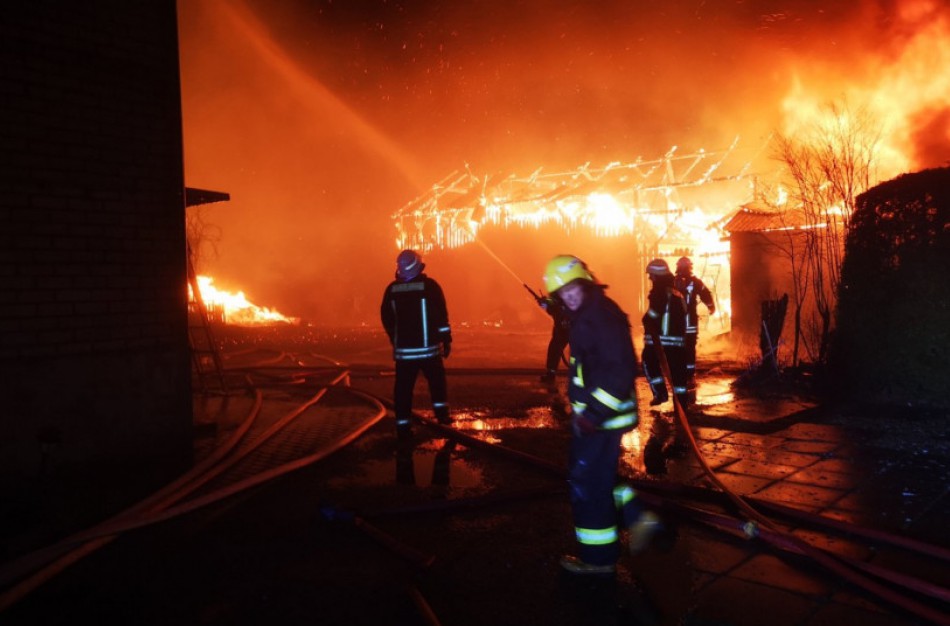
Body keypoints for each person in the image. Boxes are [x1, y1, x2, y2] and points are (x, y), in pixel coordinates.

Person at [543, 254, 660, 575]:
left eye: (572, 289)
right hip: (599, 418)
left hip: (601, 420)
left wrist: (592, 414)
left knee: (588, 485)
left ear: (583, 283)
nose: (568, 297)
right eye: (562, 293)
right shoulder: (592, 310)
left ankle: (598, 561)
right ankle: (638, 517)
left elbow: (619, 370)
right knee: (599, 477)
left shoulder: (597, 317)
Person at [380, 249, 452, 438]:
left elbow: (387, 318)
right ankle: (442, 417)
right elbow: (441, 316)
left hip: (405, 353)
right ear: (418, 265)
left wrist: (394, 338)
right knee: (437, 384)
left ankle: (403, 426)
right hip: (429, 351)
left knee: (403, 390)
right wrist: (446, 339)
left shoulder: (392, 289)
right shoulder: (430, 287)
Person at [641, 258, 689, 408]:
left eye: (651, 275)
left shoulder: (659, 292)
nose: (650, 278)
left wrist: (645, 319)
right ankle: (681, 405)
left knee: (648, 361)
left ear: (657, 275)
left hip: (661, 340)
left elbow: (654, 314)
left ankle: (660, 393)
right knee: (678, 374)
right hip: (678, 342)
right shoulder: (677, 293)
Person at [673, 256, 715, 387]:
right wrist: (711, 307)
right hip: (690, 323)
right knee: (689, 349)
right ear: (690, 268)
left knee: (677, 349)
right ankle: (690, 376)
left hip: (676, 324)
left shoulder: (672, 282)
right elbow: (706, 294)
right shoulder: (695, 282)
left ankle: (679, 374)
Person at [537, 293, 570, 383]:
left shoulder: (566, 292)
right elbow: (552, 308)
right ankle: (551, 373)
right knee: (554, 350)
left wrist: (546, 303)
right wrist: (544, 303)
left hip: (571, 327)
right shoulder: (556, 294)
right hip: (561, 328)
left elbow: (557, 305)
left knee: (577, 353)